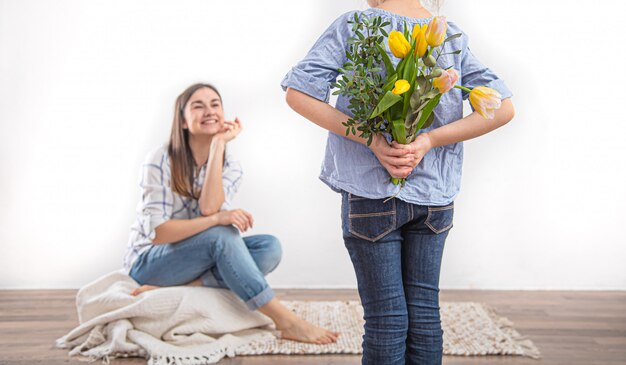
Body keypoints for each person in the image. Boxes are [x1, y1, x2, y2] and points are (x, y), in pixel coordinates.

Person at [282, 0, 515, 363]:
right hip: (434, 199)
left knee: (386, 319)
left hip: (370, 195)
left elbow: (298, 94)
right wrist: (428, 141)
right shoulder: (450, 35)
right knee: (424, 314)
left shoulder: (358, 25)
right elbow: (504, 108)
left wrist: (372, 140)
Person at [124, 83, 339, 344]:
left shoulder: (231, 166)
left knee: (269, 247)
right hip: (150, 262)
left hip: (193, 262)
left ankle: (182, 289)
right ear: (182, 120)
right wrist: (216, 220)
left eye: (215, 104)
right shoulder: (160, 158)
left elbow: (208, 207)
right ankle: (285, 320)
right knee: (221, 234)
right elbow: (160, 233)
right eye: (198, 105)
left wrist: (217, 147)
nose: (209, 111)